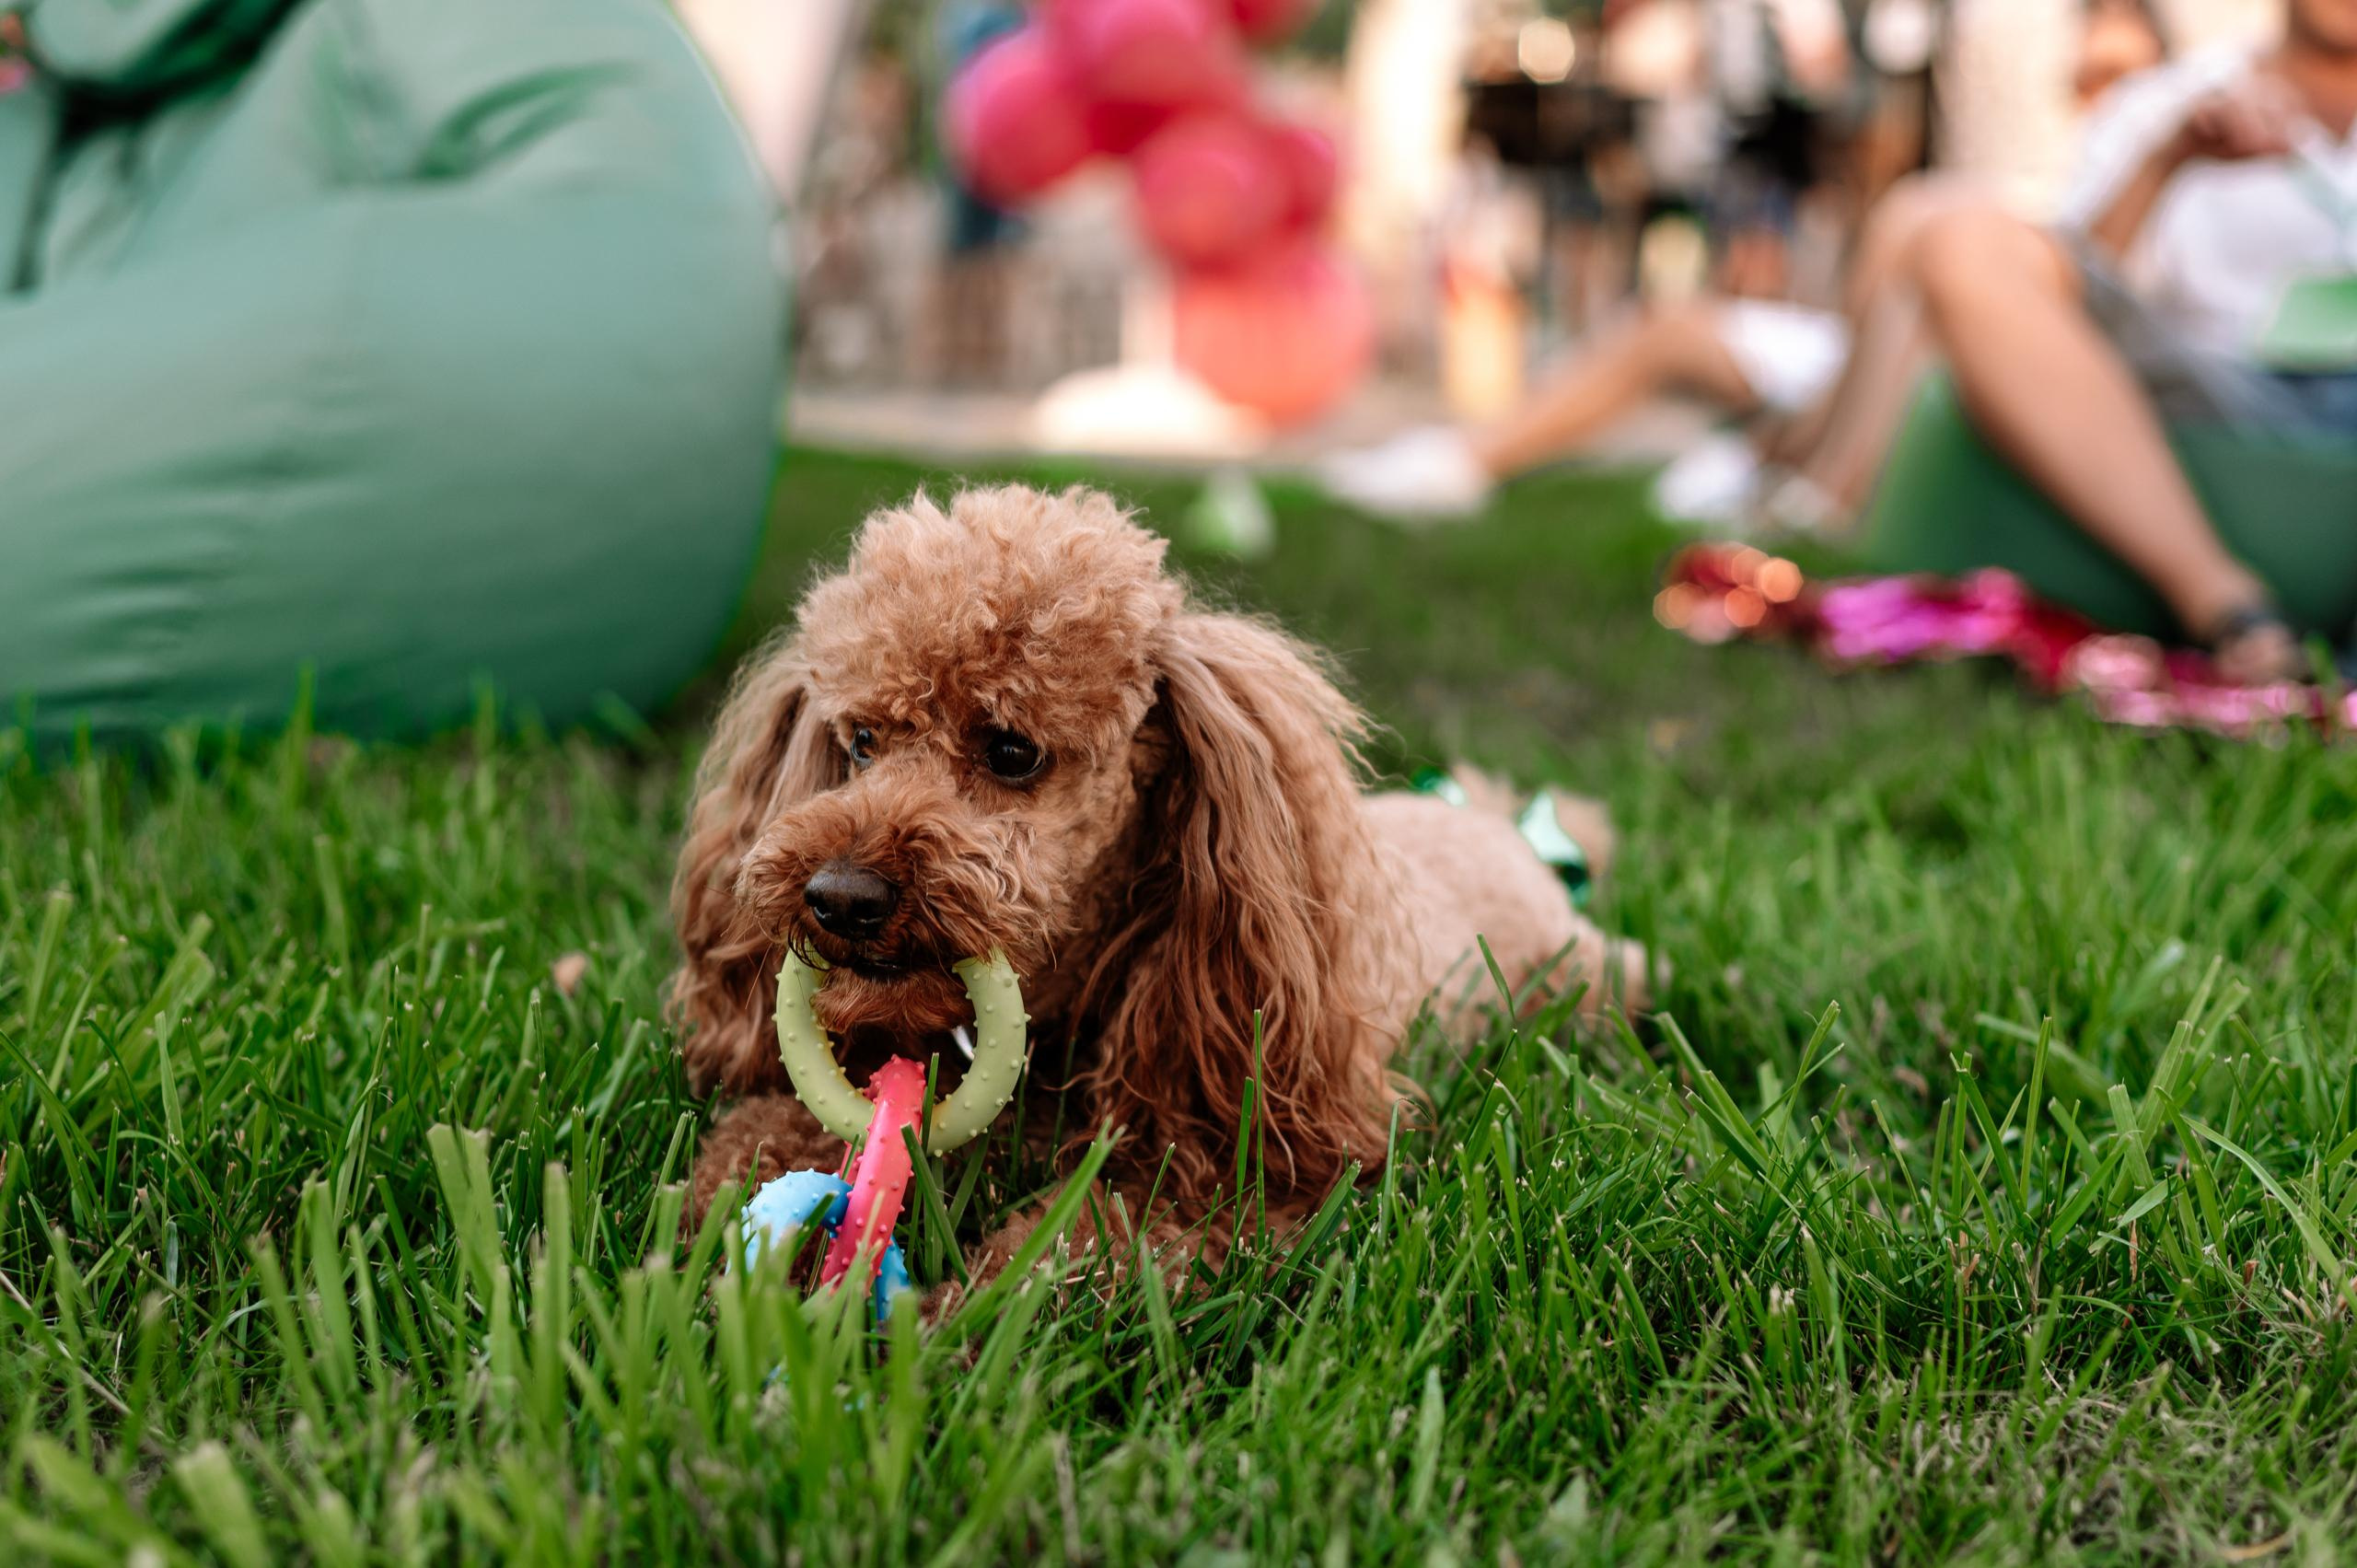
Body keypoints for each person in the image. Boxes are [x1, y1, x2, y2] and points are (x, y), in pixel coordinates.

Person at [1318, 0, 2169, 530]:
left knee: (1926, 238)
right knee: (1671, 327)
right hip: (1879, 328)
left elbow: (2106, 286)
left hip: (1967, 335)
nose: (2097, 76)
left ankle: (1793, 479)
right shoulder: (2013, 88)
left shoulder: (2153, 132)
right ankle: (1462, 462)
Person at [1881, 0, 2357, 681]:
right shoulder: (2169, 100)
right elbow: (2066, 289)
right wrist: (2169, 159)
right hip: (2207, 389)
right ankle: (2231, 610)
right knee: (1965, 243)